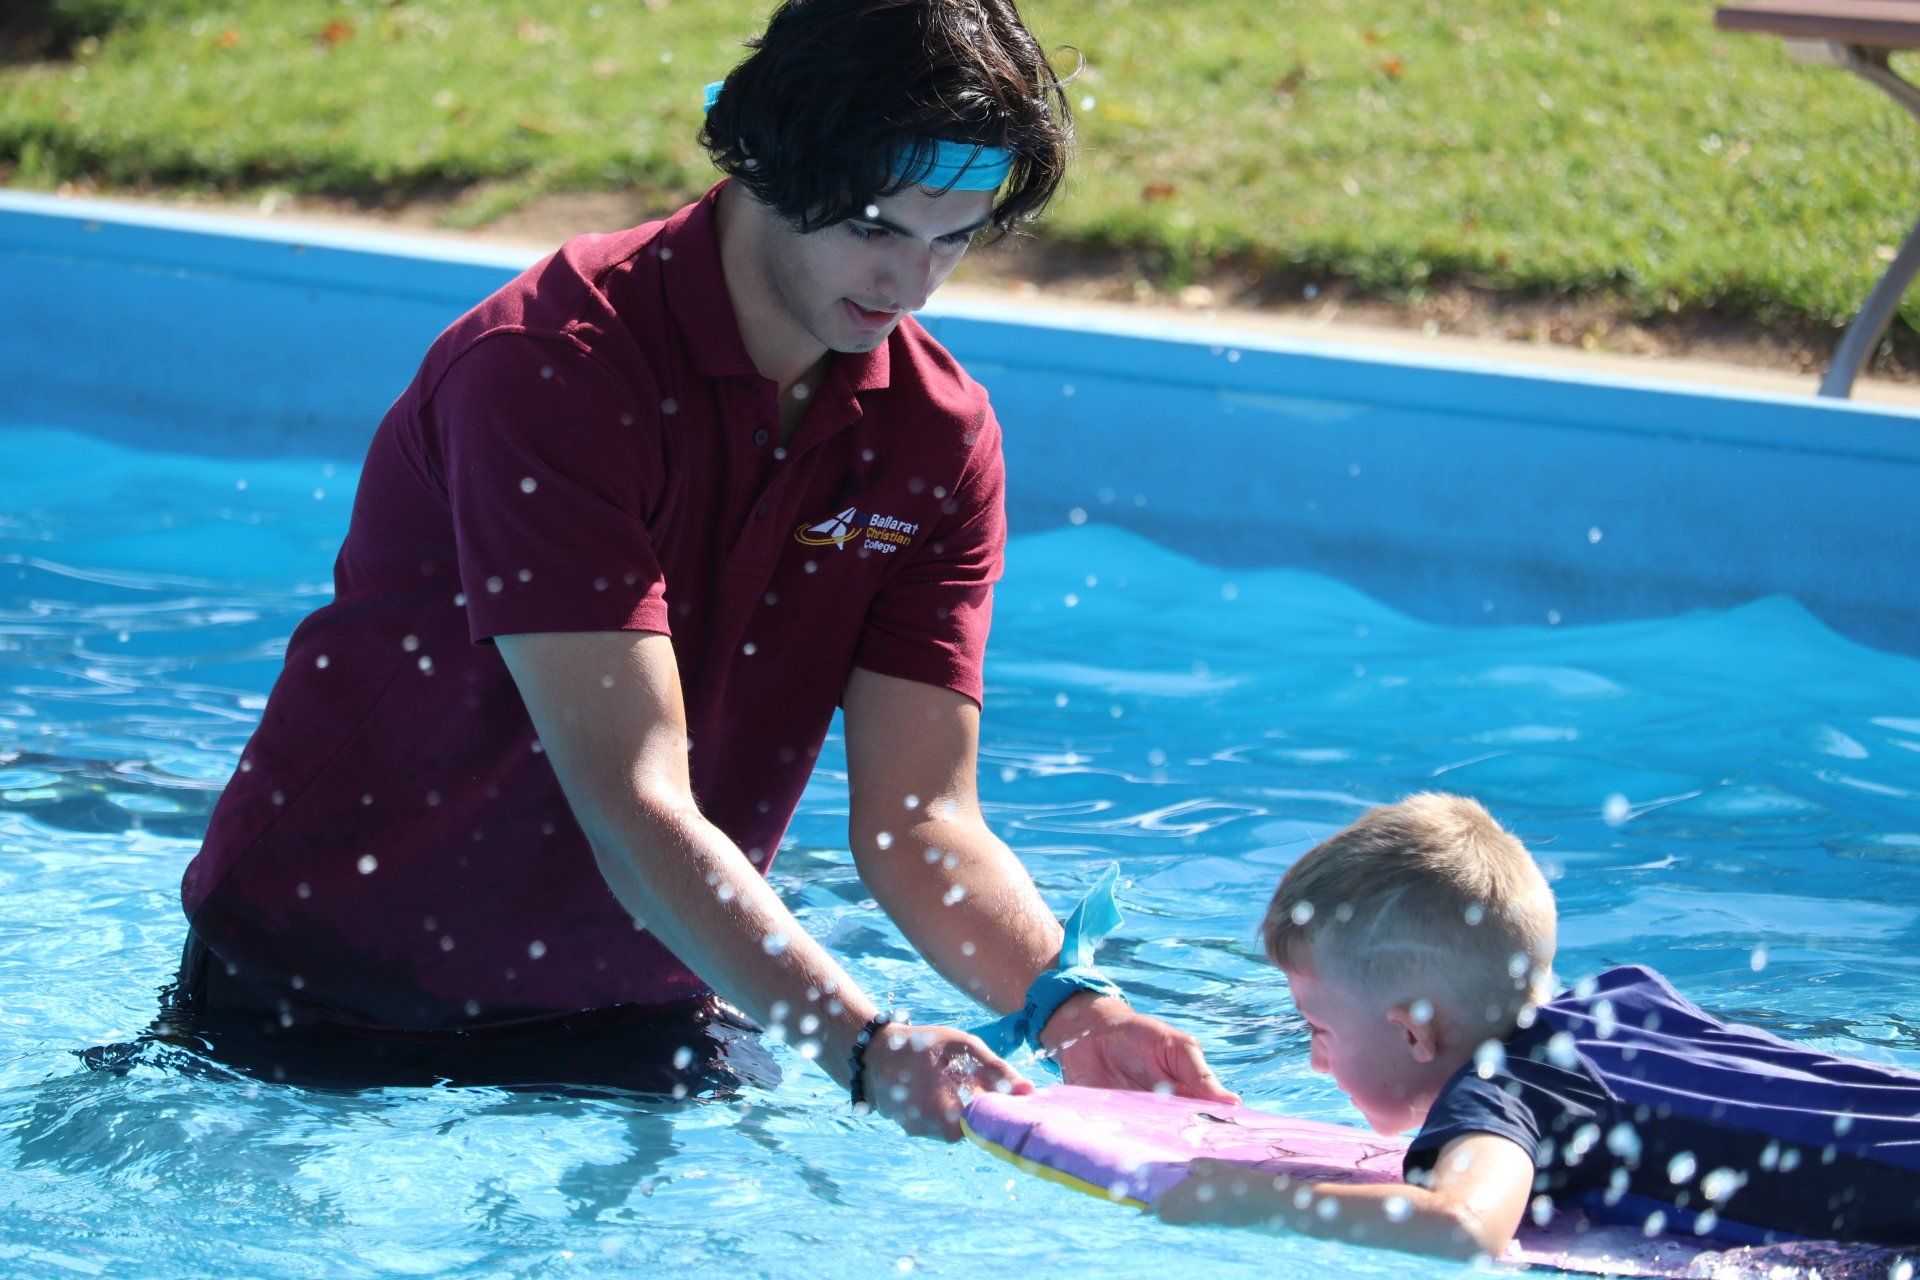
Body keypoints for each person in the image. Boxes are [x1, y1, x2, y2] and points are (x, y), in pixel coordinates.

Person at [166, 0, 1234, 1136]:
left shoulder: (935, 437)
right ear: (770, 161)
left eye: (953, 237)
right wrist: (864, 1045)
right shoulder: (552, 371)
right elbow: (631, 799)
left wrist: (1068, 1004)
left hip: (639, 996)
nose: (911, 282)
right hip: (321, 992)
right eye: (877, 226)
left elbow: (919, 820)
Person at [1151, 793, 1920, 1256]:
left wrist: (1253, 1201)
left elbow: (1463, 1229)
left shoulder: (1502, 1091)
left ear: (1417, 1032)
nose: (1316, 1063)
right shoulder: (1619, 1005)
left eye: (1318, 1029)